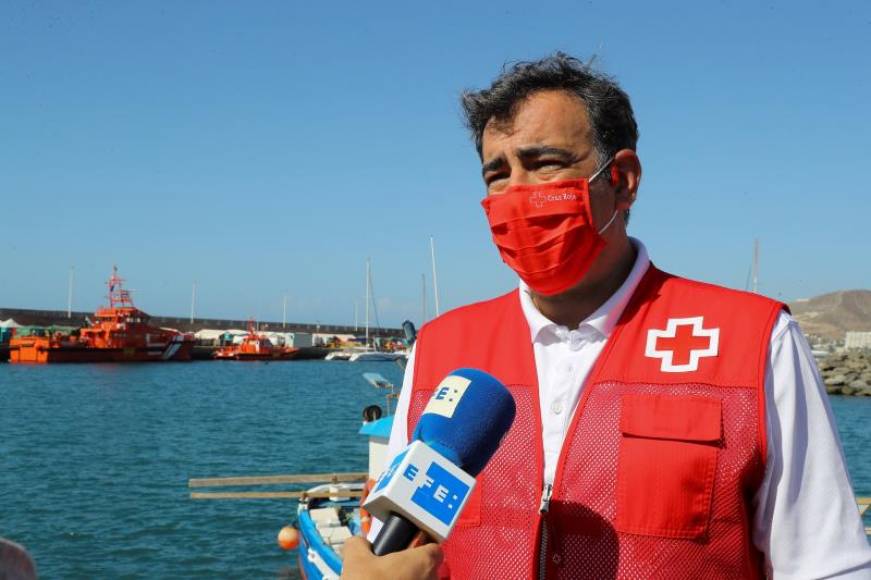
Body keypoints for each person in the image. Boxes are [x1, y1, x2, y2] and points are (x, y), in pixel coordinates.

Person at [344, 53, 871, 579]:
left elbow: (827, 567)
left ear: (622, 180)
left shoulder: (754, 342)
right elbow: (399, 551)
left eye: (544, 163)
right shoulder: (440, 348)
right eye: (497, 173)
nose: (518, 193)